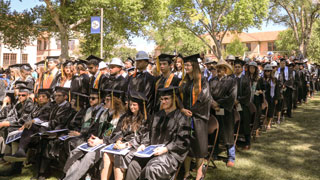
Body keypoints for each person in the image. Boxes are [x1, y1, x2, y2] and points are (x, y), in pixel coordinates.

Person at [125, 86, 191, 180]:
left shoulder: (182, 118)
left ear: (174, 99)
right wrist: (144, 144)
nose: (163, 102)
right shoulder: (157, 116)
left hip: (170, 156)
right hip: (152, 152)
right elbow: (148, 134)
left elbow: (183, 142)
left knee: (151, 169)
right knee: (134, 164)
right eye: (161, 99)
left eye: (166, 99)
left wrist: (166, 148)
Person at [101, 90, 148, 180]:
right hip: (123, 146)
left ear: (140, 105)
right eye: (130, 104)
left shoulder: (145, 119)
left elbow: (142, 138)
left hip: (135, 148)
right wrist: (118, 141)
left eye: (134, 105)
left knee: (118, 156)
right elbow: (118, 132)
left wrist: (126, 144)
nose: (131, 107)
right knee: (106, 154)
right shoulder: (126, 117)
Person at [180, 54, 211, 180]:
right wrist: (182, 109)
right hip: (186, 118)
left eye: (188, 65)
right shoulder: (186, 82)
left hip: (199, 119)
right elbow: (179, 96)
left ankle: (199, 174)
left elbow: (204, 99)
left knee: (199, 148)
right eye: (185, 65)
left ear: (194, 66)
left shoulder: (203, 81)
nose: (186, 67)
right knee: (187, 146)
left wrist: (191, 111)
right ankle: (187, 173)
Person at [34, 87, 74, 180]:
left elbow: (61, 121)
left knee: (47, 142)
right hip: (52, 130)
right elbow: (49, 117)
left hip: (61, 131)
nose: (56, 98)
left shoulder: (67, 107)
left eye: (59, 96)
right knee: (40, 142)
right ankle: (39, 171)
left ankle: (44, 172)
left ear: (65, 97)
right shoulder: (55, 106)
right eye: (55, 96)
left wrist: (48, 126)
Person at [210, 58, 237, 166]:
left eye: (222, 68)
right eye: (218, 68)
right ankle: (214, 153)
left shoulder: (232, 81)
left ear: (226, 70)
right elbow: (208, 94)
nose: (219, 70)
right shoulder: (211, 81)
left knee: (228, 133)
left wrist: (219, 103)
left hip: (226, 111)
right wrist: (212, 103)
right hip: (213, 110)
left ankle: (231, 157)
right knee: (214, 131)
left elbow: (232, 96)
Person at [231, 59, 251, 150]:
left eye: (239, 67)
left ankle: (247, 142)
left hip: (243, 105)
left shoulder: (246, 79)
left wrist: (238, 100)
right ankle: (235, 141)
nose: (237, 69)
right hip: (232, 105)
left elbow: (248, 93)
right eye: (236, 67)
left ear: (242, 69)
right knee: (234, 123)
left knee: (245, 123)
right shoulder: (231, 79)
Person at [127, 51, 155, 115]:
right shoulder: (131, 77)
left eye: (140, 61)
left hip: (144, 110)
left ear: (146, 63)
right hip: (131, 109)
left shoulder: (151, 78)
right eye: (137, 61)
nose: (138, 63)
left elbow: (149, 96)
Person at [246, 61, 264, 137]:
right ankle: (249, 131)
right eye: (250, 68)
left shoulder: (259, 78)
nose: (252, 69)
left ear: (256, 69)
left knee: (257, 115)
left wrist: (260, 91)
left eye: (253, 68)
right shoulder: (246, 78)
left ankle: (256, 131)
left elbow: (263, 89)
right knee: (249, 116)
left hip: (257, 100)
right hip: (248, 100)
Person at [261, 64, 280, 130]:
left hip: (272, 97)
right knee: (264, 111)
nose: (267, 72)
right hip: (264, 97)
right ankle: (265, 123)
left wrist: (277, 98)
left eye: (269, 71)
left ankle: (269, 123)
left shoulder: (274, 79)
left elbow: (277, 89)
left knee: (271, 111)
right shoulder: (262, 79)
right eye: (266, 71)